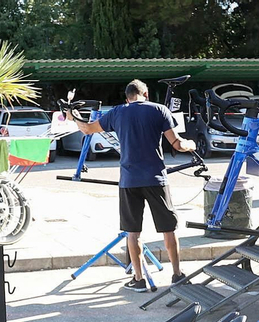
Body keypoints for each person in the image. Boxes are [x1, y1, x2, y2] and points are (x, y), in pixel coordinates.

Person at [75, 80, 196, 291]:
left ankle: (138, 279)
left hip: (129, 180)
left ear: (127, 97)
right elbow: (176, 143)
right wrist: (191, 144)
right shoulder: (160, 110)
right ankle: (177, 274)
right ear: (146, 94)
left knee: (133, 232)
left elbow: (87, 129)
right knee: (168, 228)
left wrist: (71, 116)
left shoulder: (118, 112)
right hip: (156, 179)